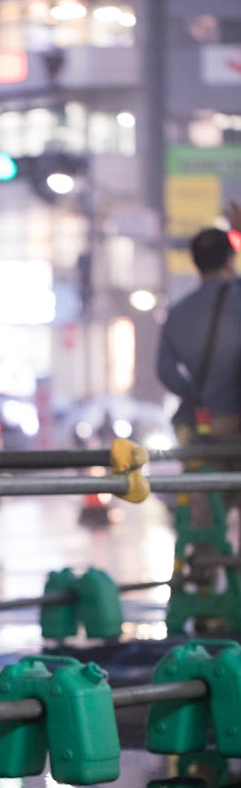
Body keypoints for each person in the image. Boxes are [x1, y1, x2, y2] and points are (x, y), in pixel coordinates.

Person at [156, 209, 241, 562]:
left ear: (195, 264)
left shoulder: (178, 314)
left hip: (207, 433)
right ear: (230, 257)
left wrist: (199, 394)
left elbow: (164, 371)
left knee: (206, 525)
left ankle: (206, 598)